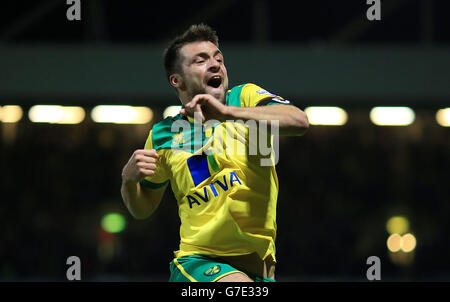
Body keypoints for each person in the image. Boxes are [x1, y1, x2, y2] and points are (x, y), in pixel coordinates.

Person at [121, 24, 309, 282]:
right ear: (177, 80)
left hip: (260, 270)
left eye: (218, 59)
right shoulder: (162, 134)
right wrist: (129, 181)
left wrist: (226, 113)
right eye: (201, 61)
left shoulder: (245, 98)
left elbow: (299, 122)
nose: (214, 64)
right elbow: (142, 209)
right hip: (199, 263)